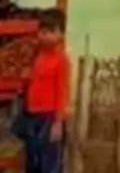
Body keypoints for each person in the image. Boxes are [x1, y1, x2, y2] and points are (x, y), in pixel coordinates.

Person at [20, 9, 70, 173]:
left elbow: (63, 91)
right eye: (41, 31)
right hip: (32, 115)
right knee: (33, 160)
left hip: (49, 117)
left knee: (49, 163)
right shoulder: (38, 56)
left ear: (60, 34)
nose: (43, 35)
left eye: (49, 32)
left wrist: (58, 122)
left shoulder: (61, 60)